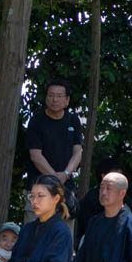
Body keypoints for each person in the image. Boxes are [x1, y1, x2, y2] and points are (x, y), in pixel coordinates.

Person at [23, 79, 82, 227]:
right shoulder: (36, 121)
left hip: (65, 190)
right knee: (34, 238)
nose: (55, 99)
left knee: (63, 238)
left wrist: (66, 173)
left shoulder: (73, 120)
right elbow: (35, 156)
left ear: (67, 100)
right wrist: (54, 178)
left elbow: (78, 152)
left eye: (59, 96)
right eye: (51, 95)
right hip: (38, 188)